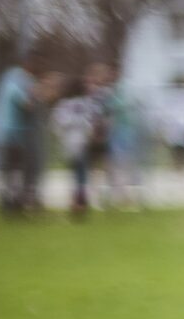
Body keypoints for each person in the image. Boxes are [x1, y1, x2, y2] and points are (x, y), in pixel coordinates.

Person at [0, 52, 41, 215]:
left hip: (16, 133)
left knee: (15, 169)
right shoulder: (14, 78)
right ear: (27, 63)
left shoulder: (20, 79)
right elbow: (25, 103)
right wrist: (36, 97)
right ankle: (9, 202)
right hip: (7, 132)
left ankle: (15, 200)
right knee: (10, 169)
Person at [48, 73, 101, 216]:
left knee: (76, 174)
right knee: (81, 174)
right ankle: (80, 201)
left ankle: (77, 201)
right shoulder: (85, 104)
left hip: (70, 143)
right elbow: (92, 122)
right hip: (81, 142)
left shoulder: (64, 105)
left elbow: (56, 124)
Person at [90, 64, 142, 209]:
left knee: (117, 166)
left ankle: (119, 196)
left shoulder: (115, 91)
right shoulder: (99, 93)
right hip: (101, 135)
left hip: (115, 135)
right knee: (101, 167)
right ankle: (99, 196)